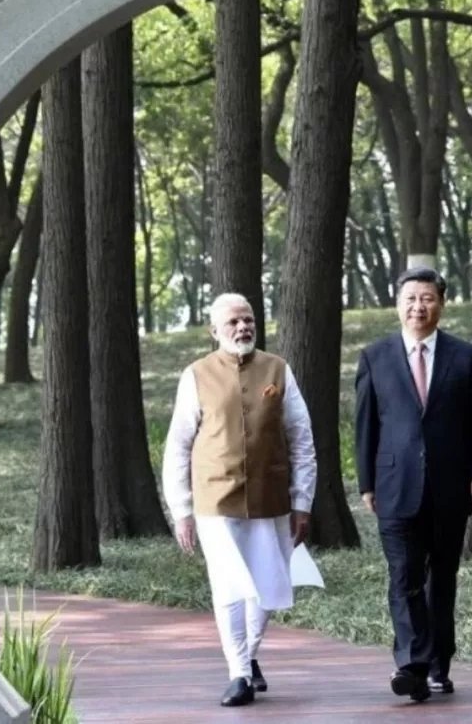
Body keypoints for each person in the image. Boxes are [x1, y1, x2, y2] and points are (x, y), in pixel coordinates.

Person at [162, 293, 317, 708]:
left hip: (271, 495)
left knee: (268, 585)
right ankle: (239, 674)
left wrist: (303, 500)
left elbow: (302, 439)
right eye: (233, 322)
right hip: (215, 498)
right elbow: (178, 446)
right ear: (214, 331)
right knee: (228, 584)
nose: (243, 327)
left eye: (248, 319)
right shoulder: (196, 375)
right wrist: (181, 509)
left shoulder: (278, 369)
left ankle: (248, 656)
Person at [355, 267, 472, 702]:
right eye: (411, 298)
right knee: (403, 575)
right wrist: (366, 482)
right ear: (398, 305)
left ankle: (438, 665)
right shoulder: (375, 357)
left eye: (427, 298)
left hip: (450, 487)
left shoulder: (466, 356)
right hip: (394, 485)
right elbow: (365, 426)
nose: (418, 306)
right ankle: (411, 664)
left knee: (441, 579)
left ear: (441, 304)